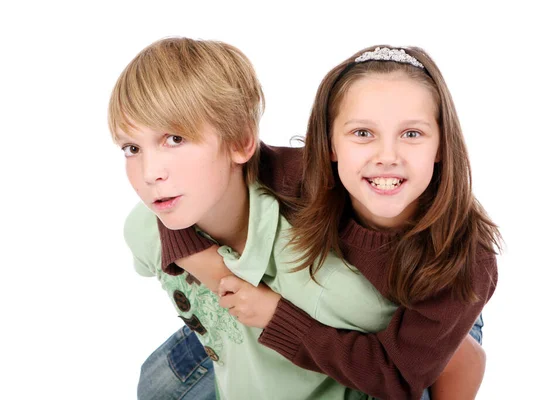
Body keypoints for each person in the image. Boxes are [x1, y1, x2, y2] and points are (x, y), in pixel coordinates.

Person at [159, 45, 500, 399]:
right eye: (363, 134)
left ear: (442, 145)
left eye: (411, 134)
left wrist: (277, 317)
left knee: (433, 365)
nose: (387, 157)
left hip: (430, 324)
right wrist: (208, 268)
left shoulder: (467, 260)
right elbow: (189, 184)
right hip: (331, 309)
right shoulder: (299, 176)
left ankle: (459, 356)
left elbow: (396, 377)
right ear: (330, 144)